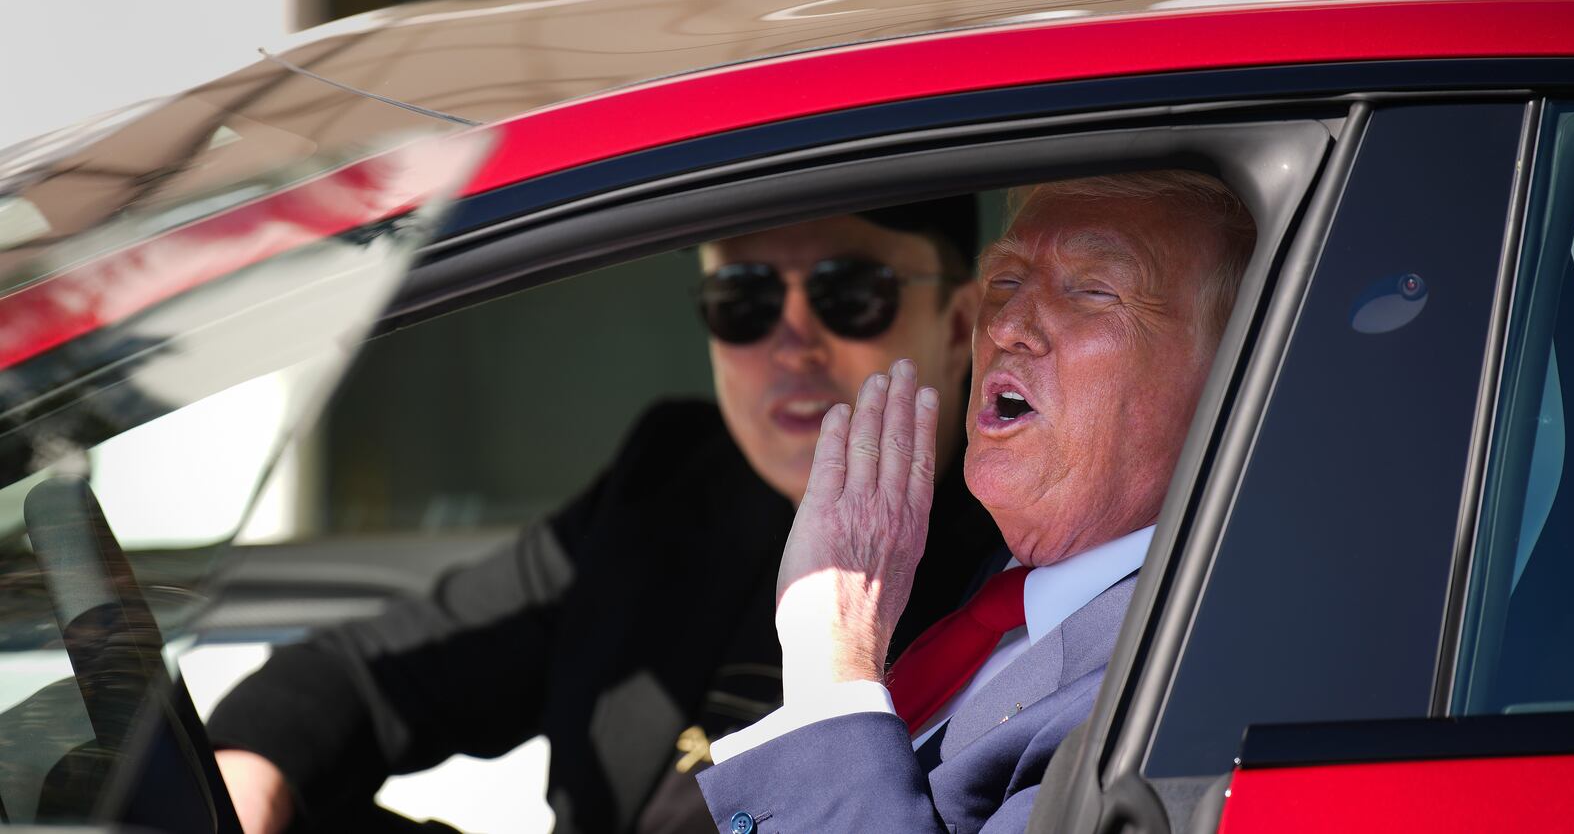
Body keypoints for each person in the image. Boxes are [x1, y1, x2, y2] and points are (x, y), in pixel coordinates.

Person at [206, 199, 1005, 834]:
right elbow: (373, 674)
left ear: (961, 325)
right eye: (743, 298)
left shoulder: (1019, 558)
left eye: (849, 294)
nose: (793, 342)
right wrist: (250, 769)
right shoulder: (672, 480)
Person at [696, 171, 1256, 833]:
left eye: (1094, 290)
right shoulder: (995, 588)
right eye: (1006, 282)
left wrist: (832, 666)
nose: (1009, 325)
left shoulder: (1182, 682)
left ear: (1232, 366)